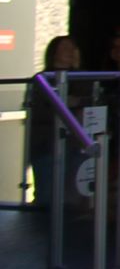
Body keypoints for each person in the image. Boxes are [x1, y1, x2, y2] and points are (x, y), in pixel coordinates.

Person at [25, 36, 82, 208]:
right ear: (54, 52)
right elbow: (37, 112)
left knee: (72, 198)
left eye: (72, 48)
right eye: (65, 47)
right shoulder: (42, 79)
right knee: (47, 196)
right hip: (47, 147)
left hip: (76, 146)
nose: (69, 51)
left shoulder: (82, 78)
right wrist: (64, 104)